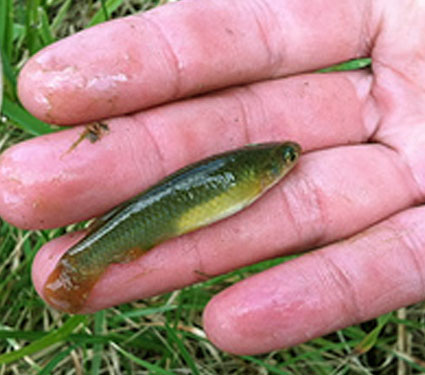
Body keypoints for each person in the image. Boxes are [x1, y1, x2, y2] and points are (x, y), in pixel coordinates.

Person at [1, 0, 424, 355]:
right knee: (138, 227)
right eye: (289, 157)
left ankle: (84, 264)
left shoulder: (258, 173)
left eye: (291, 156)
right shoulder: (257, 173)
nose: (294, 160)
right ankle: (80, 266)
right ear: (270, 171)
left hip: (176, 207)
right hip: (164, 211)